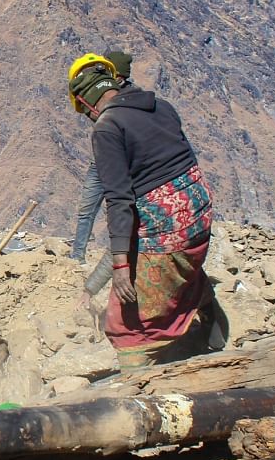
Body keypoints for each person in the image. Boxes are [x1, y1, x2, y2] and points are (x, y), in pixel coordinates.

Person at [67, 56, 220, 370]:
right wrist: (92, 285)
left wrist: (122, 267)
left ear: (85, 102)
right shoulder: (160, 107)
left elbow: (119, 201)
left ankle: (139, 395)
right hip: (199, 212)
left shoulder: (107, 128)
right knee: (177, 270)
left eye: (84, 112)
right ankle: (212, 327)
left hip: (168, 228)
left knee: (126, 324)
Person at [70, 51, 133, 263]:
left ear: (119, 77)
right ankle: (77, 256)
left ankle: (121, 257)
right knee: (86, 208)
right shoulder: (102, 95)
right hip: (100, 160)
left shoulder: (128, 98)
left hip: (123, 162)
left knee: (121, 209)